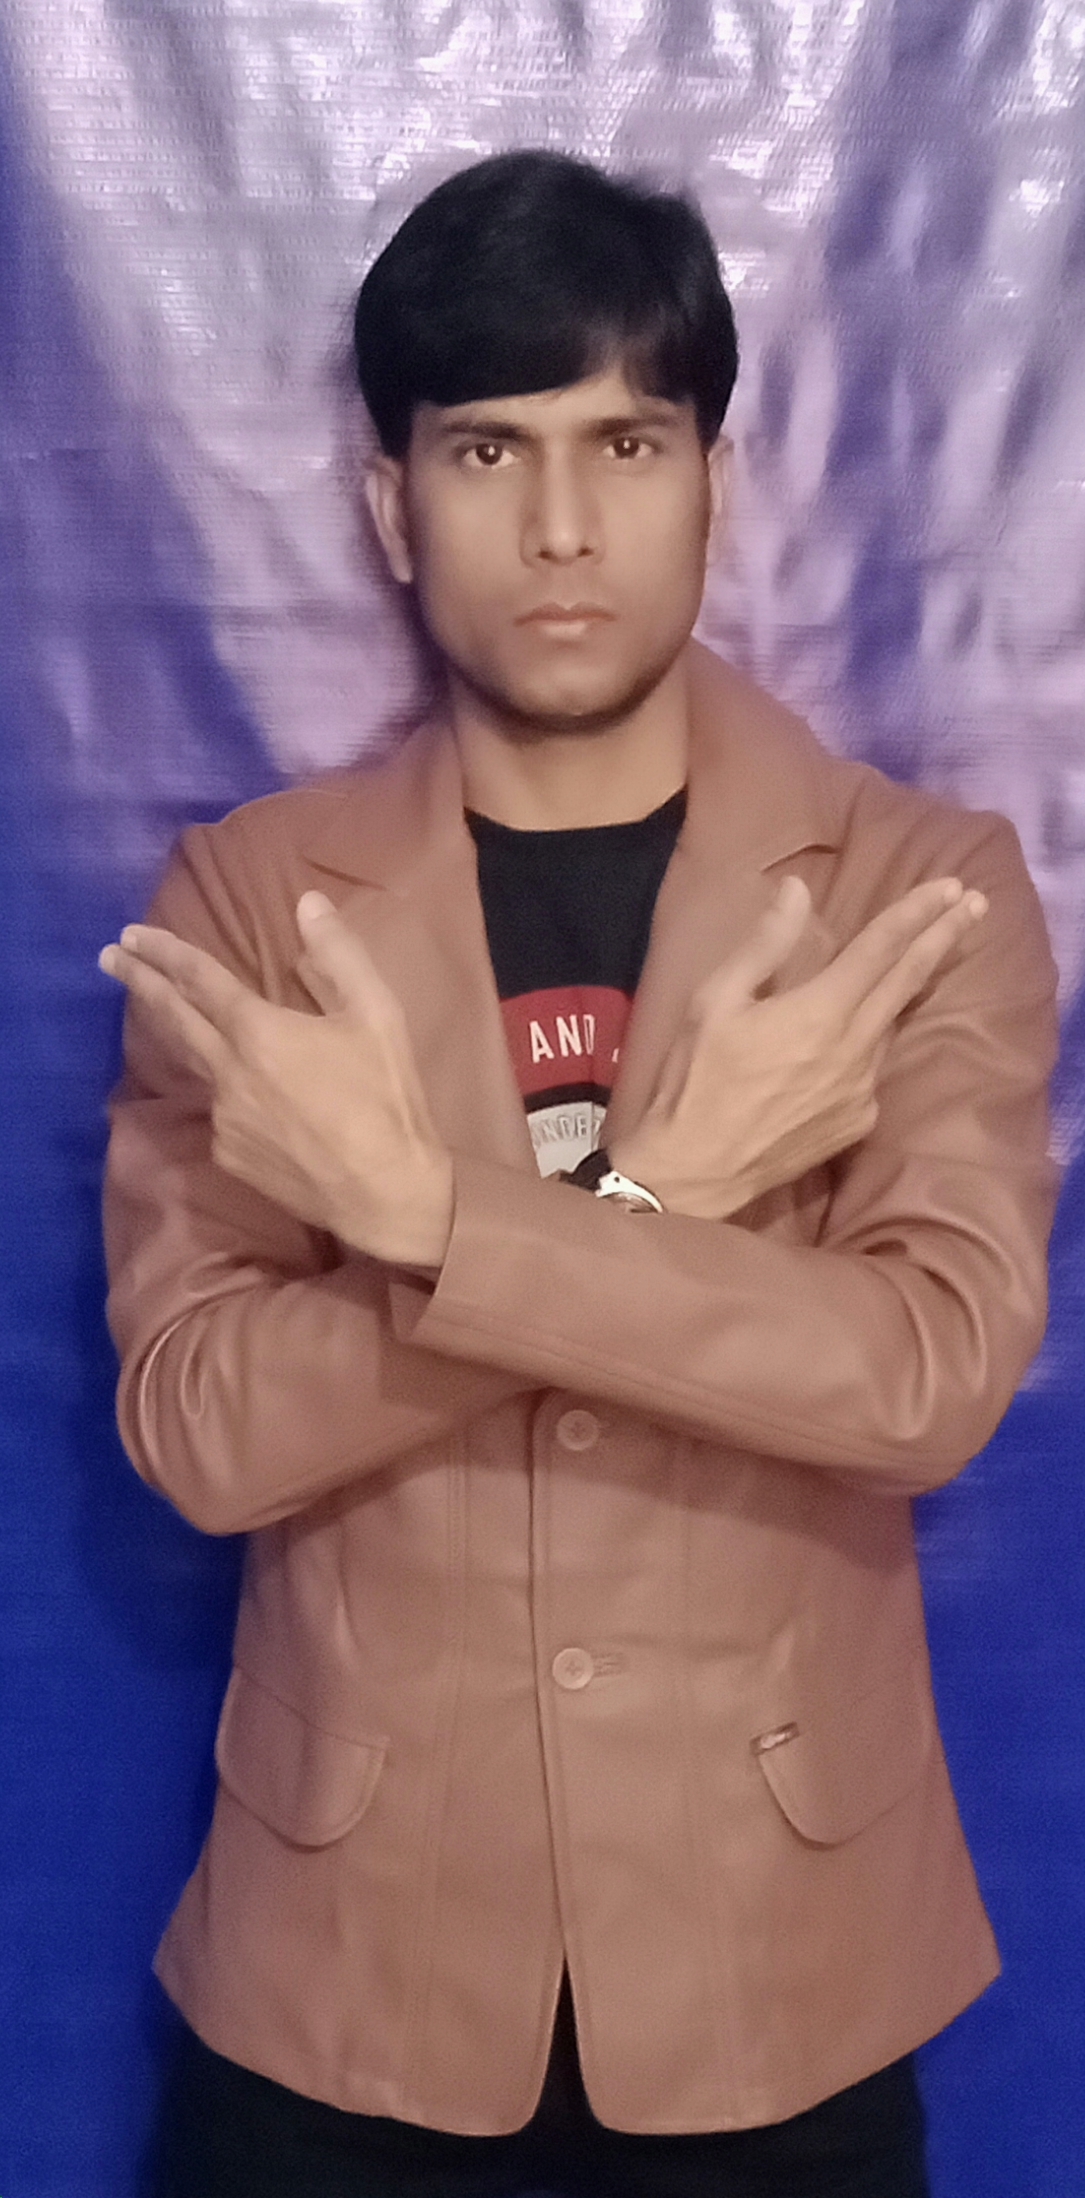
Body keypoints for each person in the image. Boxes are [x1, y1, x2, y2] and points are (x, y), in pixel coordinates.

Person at [100, 151, 1058, 2198]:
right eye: (486, 449)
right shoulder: (252, 904)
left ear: (716, 480)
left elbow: (923, 1374)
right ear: (390, 504)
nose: (560, 524)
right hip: (342, 1965)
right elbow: (199, 1426)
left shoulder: (918, 892)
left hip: (776, 1966)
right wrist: (662, 1195)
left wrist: (446, 1225)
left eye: (626, 442)